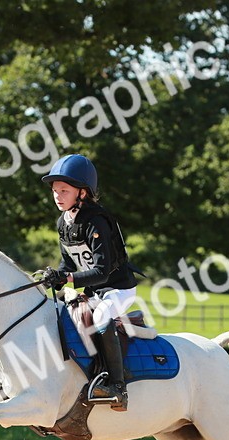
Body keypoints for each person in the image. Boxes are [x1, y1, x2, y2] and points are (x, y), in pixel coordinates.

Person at [41, 154, 139, 411]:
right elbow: (69, 264)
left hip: (118, 288)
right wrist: (55, 277)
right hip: (94, 290)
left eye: (64, 190)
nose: (57, 196)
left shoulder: (97, 221)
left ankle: (118, 387)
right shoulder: (63, 222)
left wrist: (69, 278)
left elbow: (102, 271)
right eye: (54, 191)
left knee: (102, 318)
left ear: (82, 193)